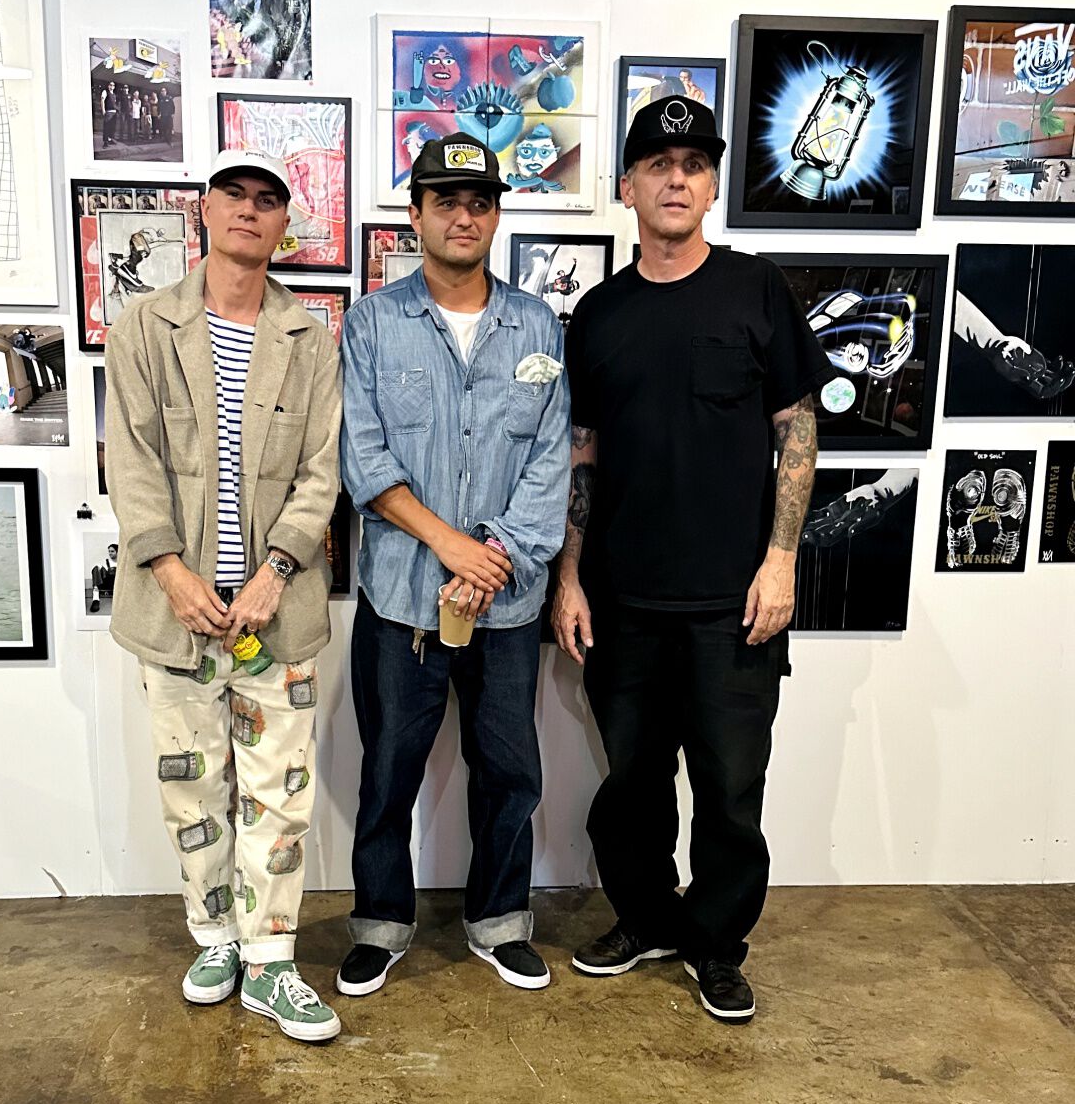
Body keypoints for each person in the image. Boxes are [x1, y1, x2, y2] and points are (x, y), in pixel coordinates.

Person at [553, 96, 835, 1024]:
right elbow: (582, 451)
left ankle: (713, 942)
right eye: (658, 163)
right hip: (624, 600)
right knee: (629, 786)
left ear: (712, 184)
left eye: (695, 164)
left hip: (733, 603)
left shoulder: (756, 291)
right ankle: (645, 920)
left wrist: (782, 559)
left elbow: (798, 432)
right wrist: (568, 576)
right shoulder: (597, 314)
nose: (677, 179)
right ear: (627, 184)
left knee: (728, 789)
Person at [104, 147, 344, 1044]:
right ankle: (213, 937)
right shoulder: (143, 327)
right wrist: (170, 571)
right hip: (174, 611)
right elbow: (129, 462)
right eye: (233, 195)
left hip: (277, 613)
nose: (249, 210)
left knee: (278, 791)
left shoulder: (309, 336)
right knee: (191, 784)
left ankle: (271, 961)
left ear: (286, 223)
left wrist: (275, 572)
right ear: (202, 210)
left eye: (267, 200)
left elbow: (324, 471)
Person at [337, 133, 570, 998]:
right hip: (402, 600)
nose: (464, 216)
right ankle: (381, 923)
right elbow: (363, 461)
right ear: (417, 213)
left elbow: (550, 460)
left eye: (479, 203)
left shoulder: (538, 326)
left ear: (497, 215)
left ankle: (500, 919)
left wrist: (493, 558)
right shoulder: (370, 324)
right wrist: (451, 545)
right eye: (446, 201)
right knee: (389, 770)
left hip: (505, 605)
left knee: (511, 770)